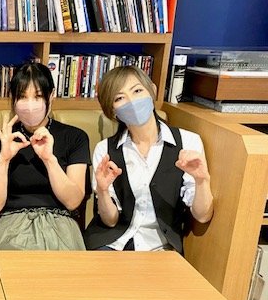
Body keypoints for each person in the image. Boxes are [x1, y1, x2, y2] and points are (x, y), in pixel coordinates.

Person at [84, 66, 214, 252]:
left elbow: (202, 216)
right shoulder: (104, 150)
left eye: (137, 91)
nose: (132, 101)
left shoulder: (188, 142)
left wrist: (202, 180)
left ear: (152, 91)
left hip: (159, 247)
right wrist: (103, 191)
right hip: (112, 244)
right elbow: (110, 221)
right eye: (119, 98)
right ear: (112, 111)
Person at [0, 62, 90, 251]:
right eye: (22, 97)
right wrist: (3, 160)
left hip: (61, 225)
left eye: (38, 96)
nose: (30, 105)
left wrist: (49, 160)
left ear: (52, 95)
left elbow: (73, 201)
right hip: (12, 226)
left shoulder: (75, 137)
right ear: (13, 99)